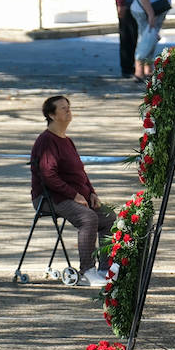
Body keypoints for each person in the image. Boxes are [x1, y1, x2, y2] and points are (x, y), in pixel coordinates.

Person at [30, 95, 116, 288]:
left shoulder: (67, 140)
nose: (68, 111)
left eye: (68, 107)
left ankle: (105, 269)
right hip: (50, 198)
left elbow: (80, 172)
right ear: (52, 115)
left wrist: (92, 193)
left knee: (108, 217)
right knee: (88, 218)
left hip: (73, 196)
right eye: (63, 108)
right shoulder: (46, 141)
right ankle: (87, 271)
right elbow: (48, 175)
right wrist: (74, 195)